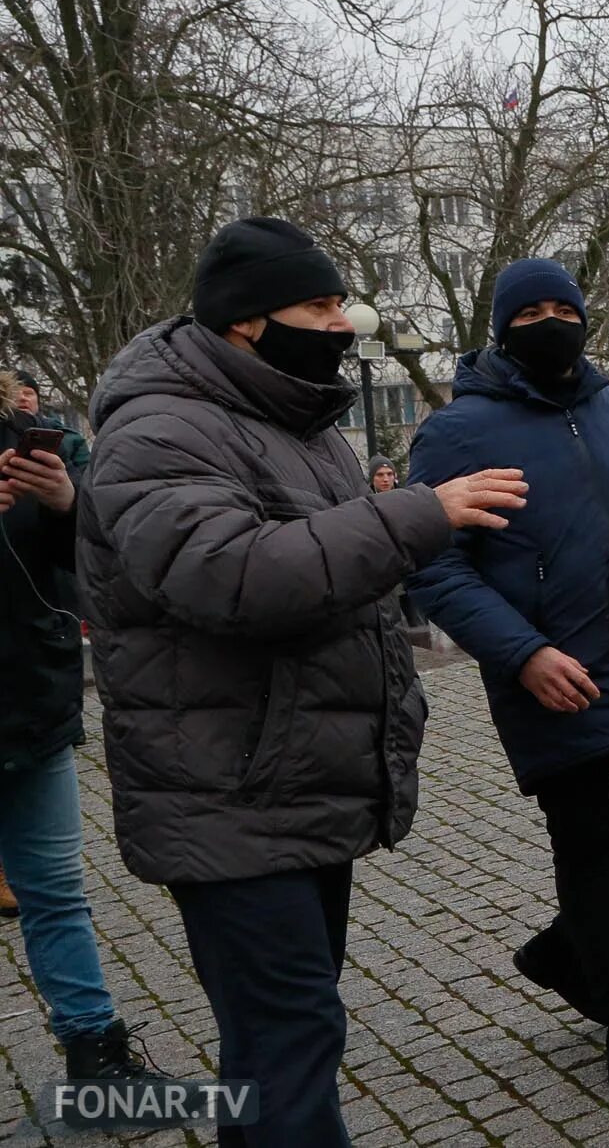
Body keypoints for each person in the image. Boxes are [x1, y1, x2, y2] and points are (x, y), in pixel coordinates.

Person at [77, 217, 528, 1148]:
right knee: (293, 1034)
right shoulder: (160, 427)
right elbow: (231, 573)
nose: (343, 322)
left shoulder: (294, 416)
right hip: (225, 790)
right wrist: (416, 513)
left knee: (277, 1037)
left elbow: (329, 563)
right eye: (320, 305)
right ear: (246, 321)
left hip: (294, 780)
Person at [405, 258, 609, 1100]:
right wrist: (521, 652)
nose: (549, 320)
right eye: (527, 310)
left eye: (562, 306)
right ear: (500, 327)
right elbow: (434, 567)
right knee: (585, 838)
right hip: (547, 665)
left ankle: (566, 949)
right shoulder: (457, 430)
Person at [0, 371, 163, 1082]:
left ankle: (98, 1058)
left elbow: (109, 555)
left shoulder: (36, 443)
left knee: (56, 889)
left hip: (27, 703)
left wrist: (68, 503)